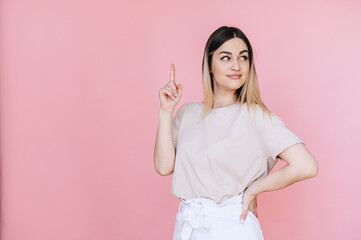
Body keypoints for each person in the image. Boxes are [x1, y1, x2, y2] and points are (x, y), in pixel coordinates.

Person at [154, 26, 318, 240]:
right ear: (210, 65)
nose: (236, 66)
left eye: (243, 57)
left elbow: (306, 165)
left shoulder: (256, 116)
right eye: (225, 58)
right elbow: (164, 167)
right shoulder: (187, 113)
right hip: (189, 225)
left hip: (232, 226)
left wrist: (254, 189)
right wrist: (166, 112)